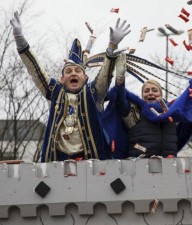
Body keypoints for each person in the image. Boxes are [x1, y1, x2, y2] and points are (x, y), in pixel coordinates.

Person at [10, 11, 130, 161]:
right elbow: (35, 70)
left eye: (78, 70)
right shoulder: (55, 92)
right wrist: (20, 39)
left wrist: (112, 47)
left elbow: (104, 76)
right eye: (68, 71)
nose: (73, 73)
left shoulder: (92, 93)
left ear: (85, 78)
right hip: (56, 163)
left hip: (92, 164)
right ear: (62, 79)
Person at [101, 49, 192, 158]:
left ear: (161, 94)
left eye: (154, 90)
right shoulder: (136, 112)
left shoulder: (172, 112)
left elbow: (190, 98)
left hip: (168, 167)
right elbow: (121, 101)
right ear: (142, 96)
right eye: (146, 91)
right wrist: (120, 80)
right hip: (138, 167)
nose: (150, 93)